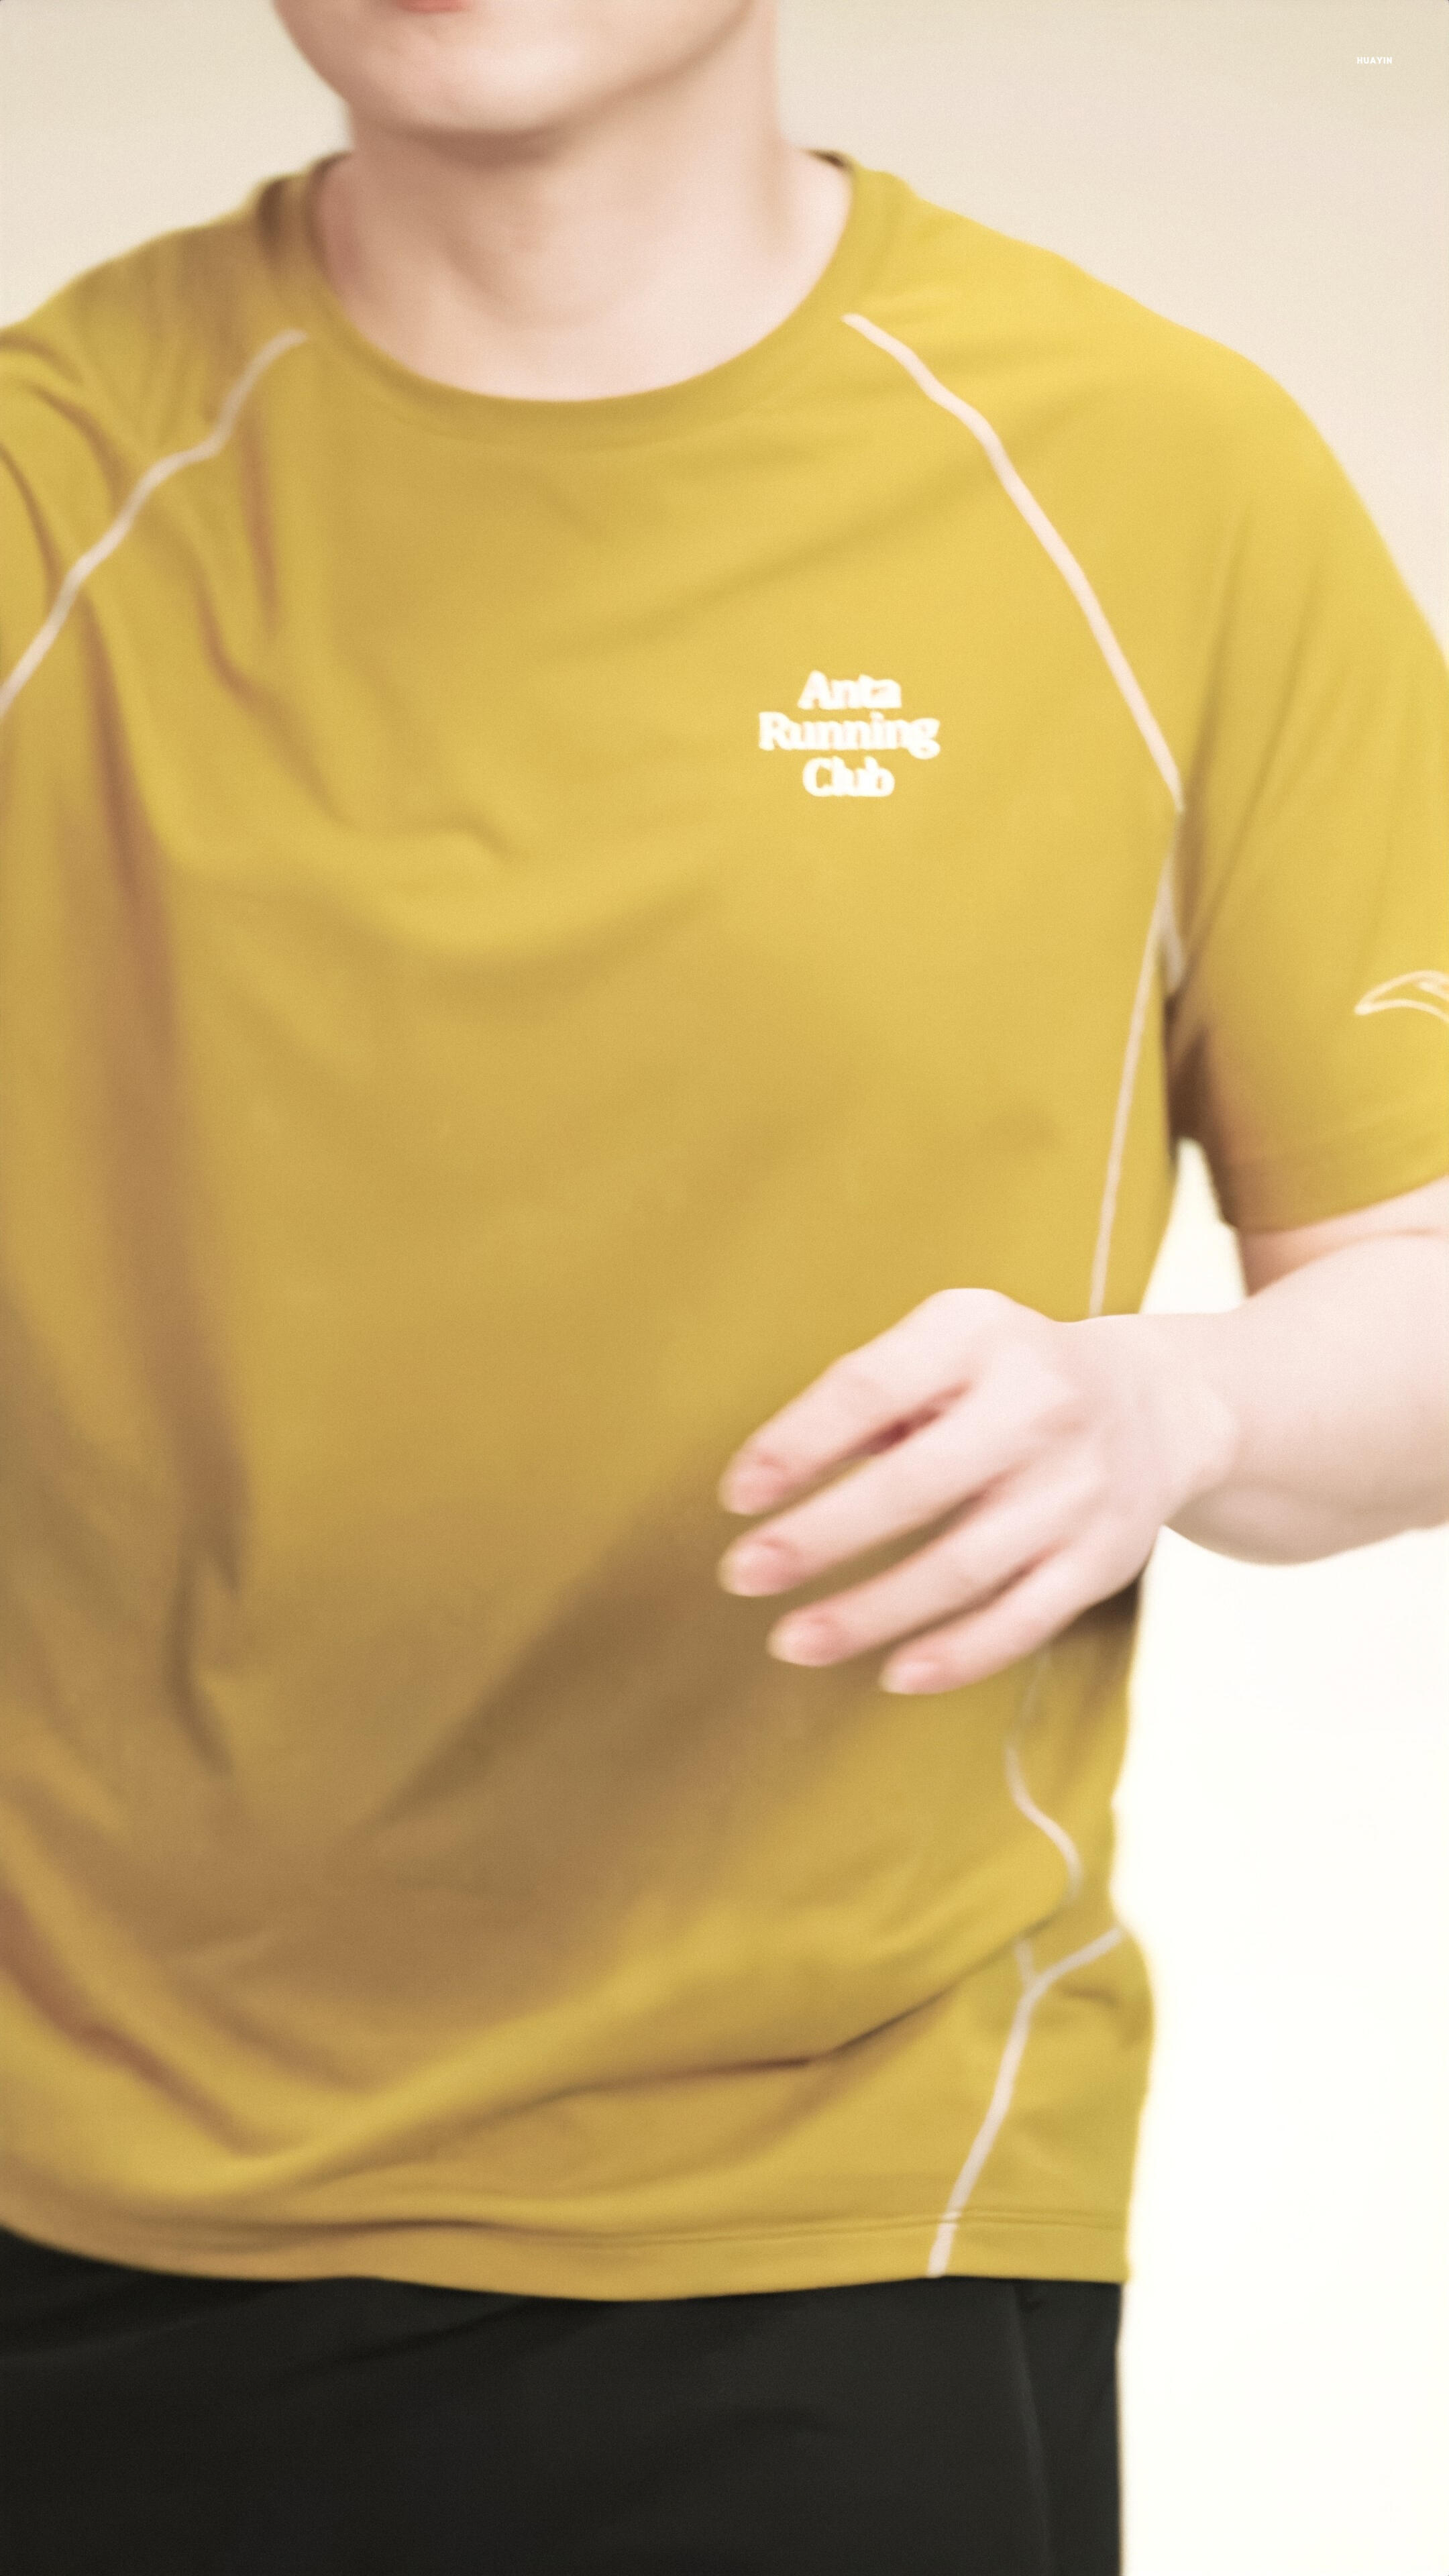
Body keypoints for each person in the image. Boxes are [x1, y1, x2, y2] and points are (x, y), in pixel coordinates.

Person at [1, 2, 1445, 2568]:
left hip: (834, 2223)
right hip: (56, 2211)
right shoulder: (51, 481)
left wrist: (1175, 1405)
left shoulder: (1152, 476)